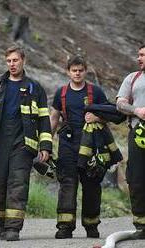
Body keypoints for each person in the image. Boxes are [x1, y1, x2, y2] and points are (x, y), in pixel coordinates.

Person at [0, 45, 52, 241]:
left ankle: (13, 228)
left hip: (23, 147)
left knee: (17, 185)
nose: (12, 64)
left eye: (15, 60)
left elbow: (44, 120)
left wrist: (45, 146)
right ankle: (2, 223)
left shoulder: (35, 88)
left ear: (23, 61)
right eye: (9, 61)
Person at [50, 55, 108, 239]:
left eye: (80, 70)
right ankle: (65, 227)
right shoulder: (61, 93)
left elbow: (111, 114)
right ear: (68, 72)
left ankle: (91, 226)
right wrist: (46, 143)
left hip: (91, 146)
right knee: (67, 184)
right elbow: (53, 118)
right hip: (67, 145)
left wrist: (97, 117)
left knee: (91, 184)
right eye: (74, 70)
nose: (77, 73)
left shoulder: (96, 92)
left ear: (85, 71)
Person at [116, 44, 145, 239]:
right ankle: (142, 226)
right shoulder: (132, 78)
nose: (139, 58)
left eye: (143, 55)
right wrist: (136, 110)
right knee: (136, 178)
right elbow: (119, 103)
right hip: (138, 133)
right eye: (139, 55)